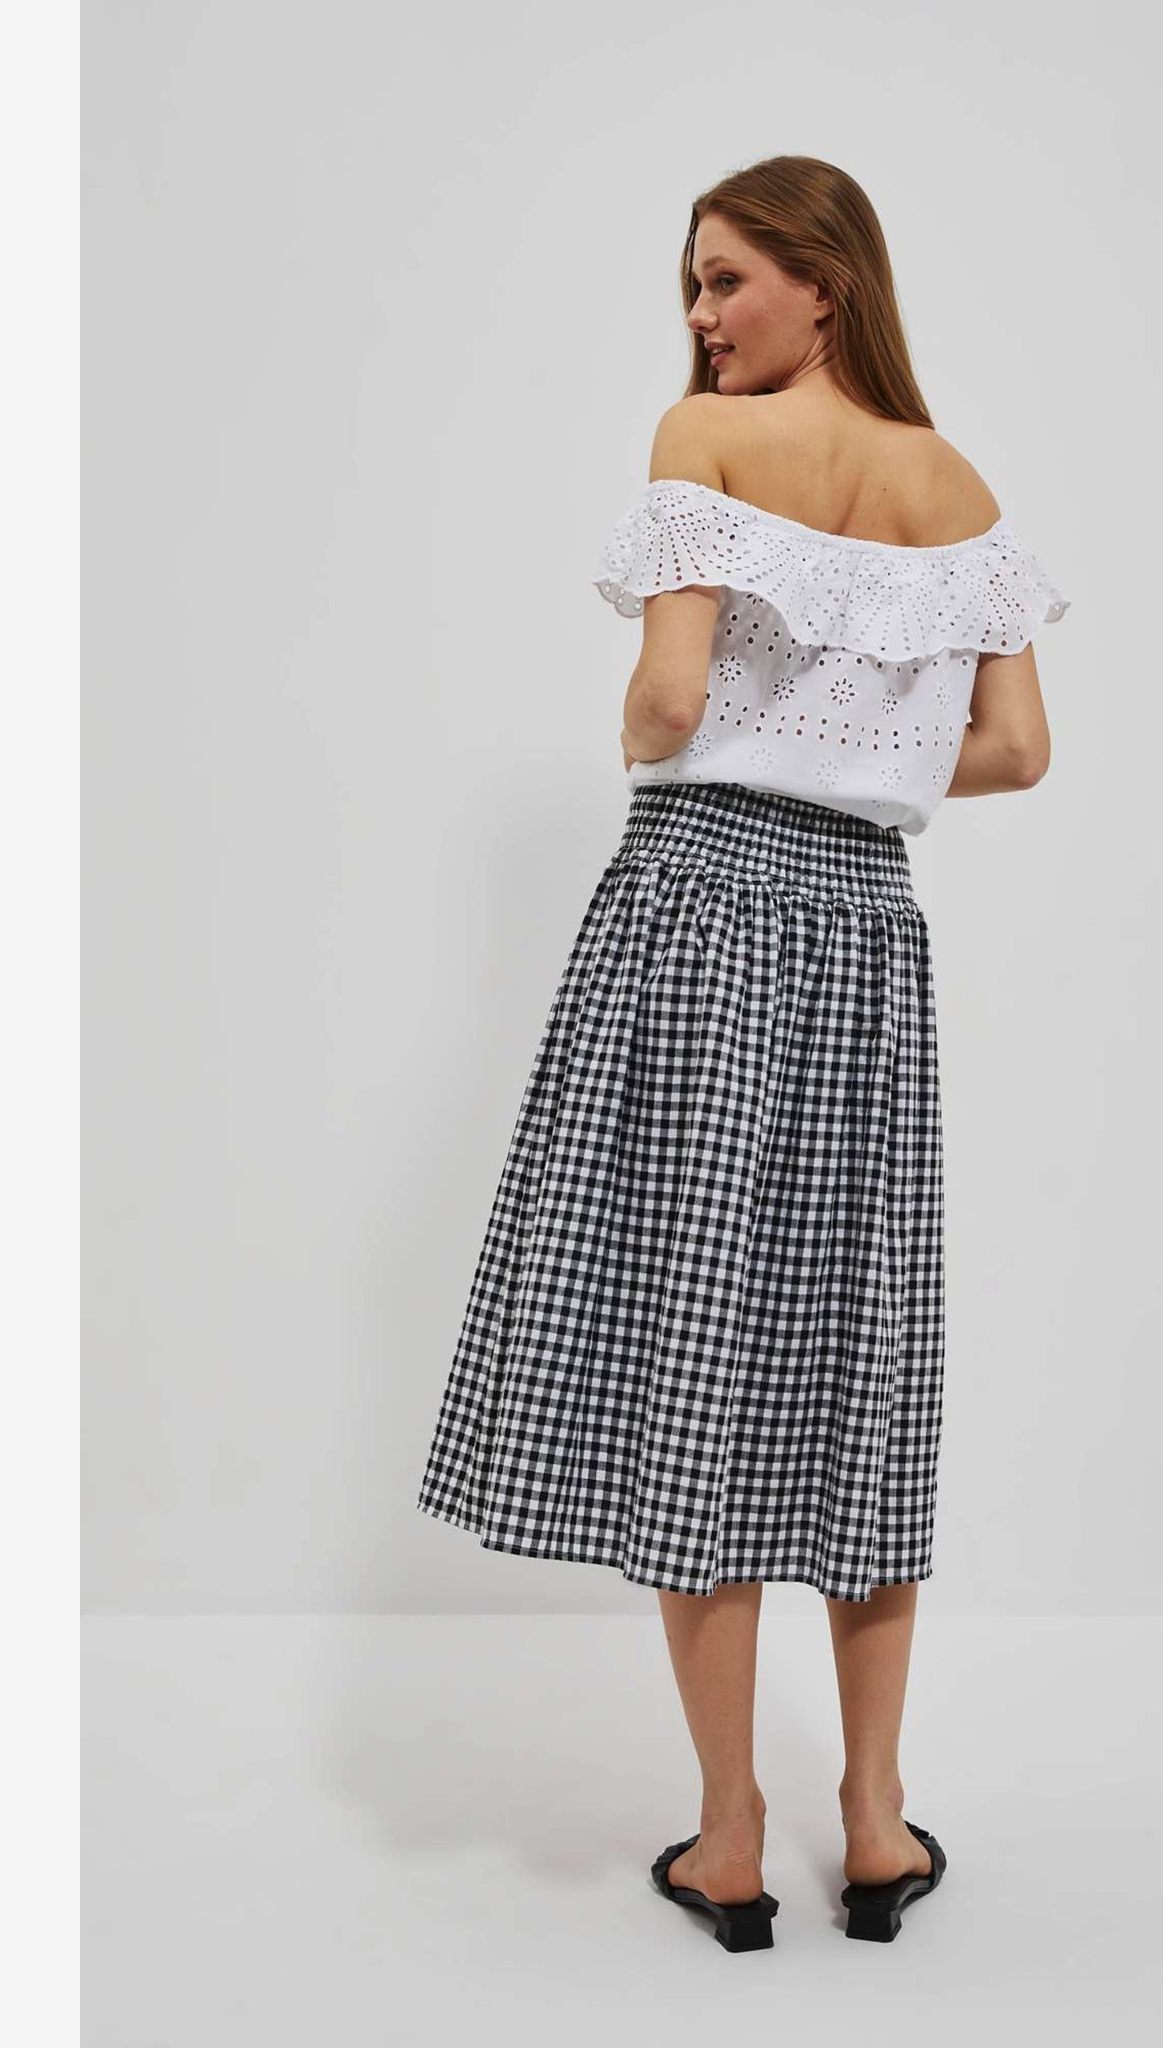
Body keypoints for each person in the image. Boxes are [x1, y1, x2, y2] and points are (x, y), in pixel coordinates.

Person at [415, 154, 1069, 1951]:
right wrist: (857, 765)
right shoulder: (954, 486)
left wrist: (671, 742)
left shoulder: (701, 442)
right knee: (861, 1353)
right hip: (867, 937)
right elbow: (1018, 750)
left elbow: (669, 696)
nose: (701, 317)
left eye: (724, 280)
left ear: (822, 281)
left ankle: (728, 1840)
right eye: (693, 289)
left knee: (691, 1349)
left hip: (699, 906)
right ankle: (876, 1823)